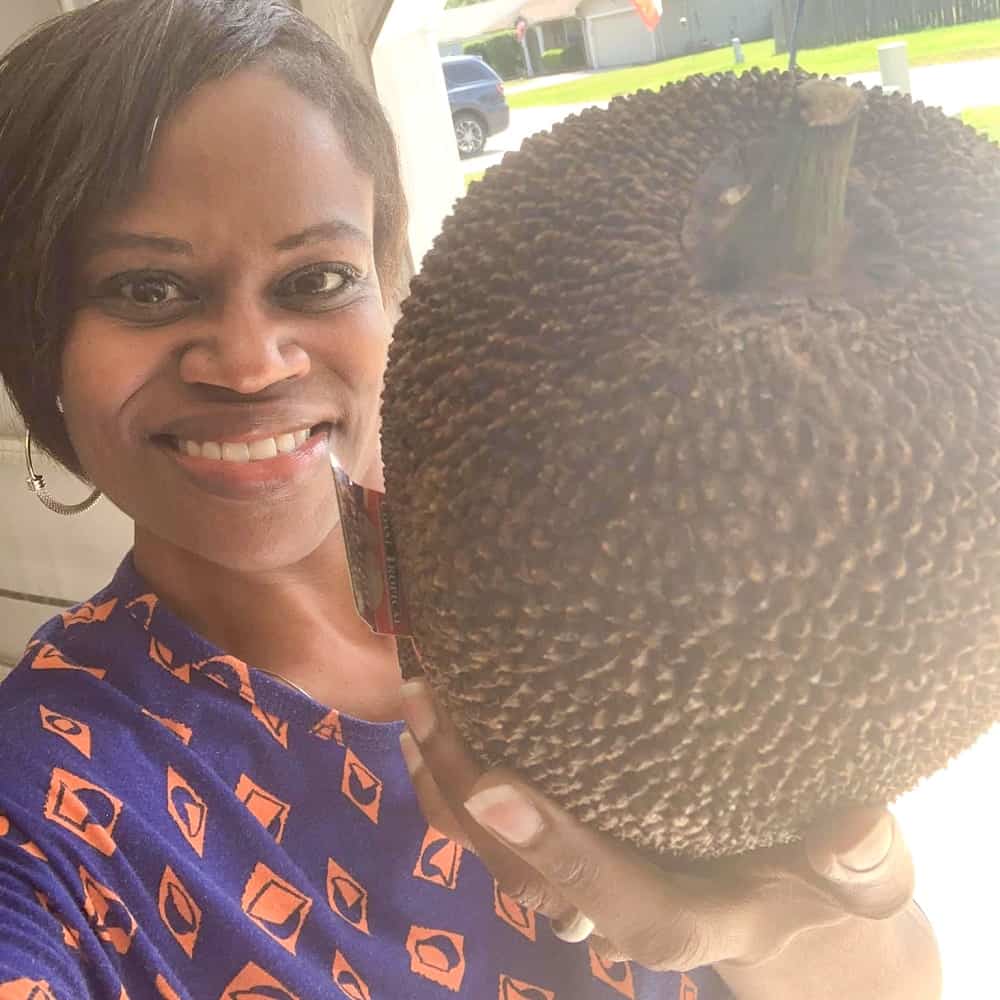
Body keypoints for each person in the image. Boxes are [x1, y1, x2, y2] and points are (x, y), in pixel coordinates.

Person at [0, 2, 943, 998]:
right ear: (37, 339)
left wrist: (778, 929)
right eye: (147, 290)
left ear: (391, 281)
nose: (248, 362)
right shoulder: (54, 798)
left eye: (316, 277)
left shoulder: (602, 572)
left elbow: (897, 974)